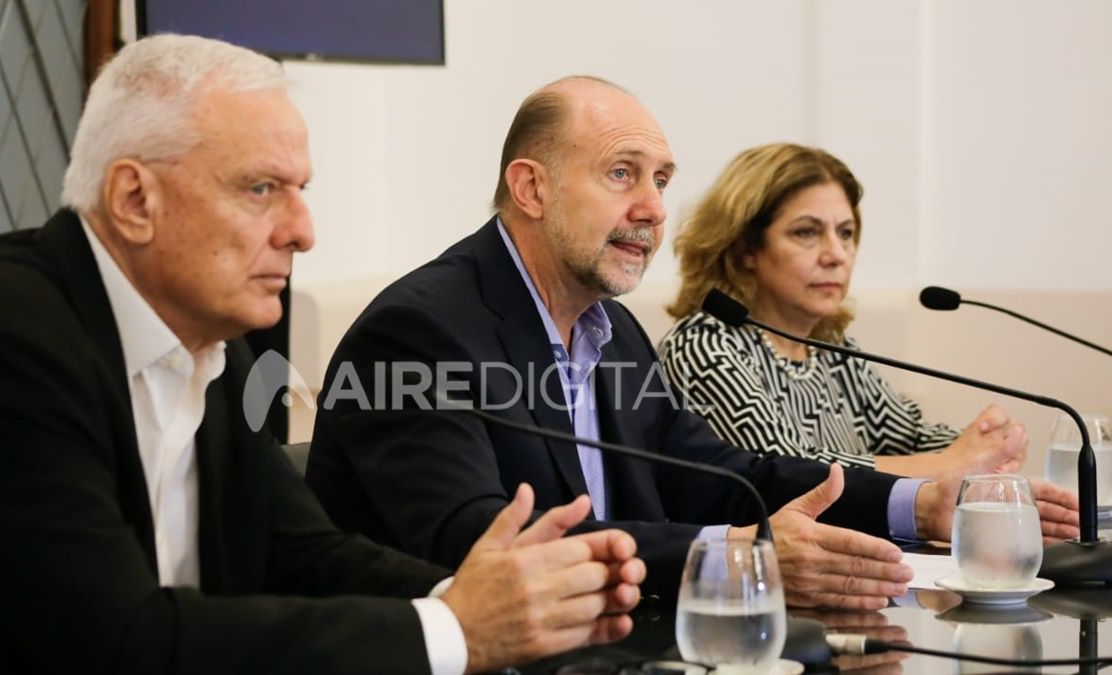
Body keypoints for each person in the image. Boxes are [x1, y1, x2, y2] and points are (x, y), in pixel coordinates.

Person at [0, 36, 648, 674]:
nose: (302, 231)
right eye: (261, 189)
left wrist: (482, 595)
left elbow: (300, 552)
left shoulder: (208, 342)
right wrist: (455, 629)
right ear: (135, 200)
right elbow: (119, 641)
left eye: (300, 190)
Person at [305, 77, 1079, 610]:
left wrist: (921, 502)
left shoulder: (611, 331)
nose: (652, 208)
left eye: (663, 180)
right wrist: (735, 552)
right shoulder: (420, 332)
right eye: (621, 174)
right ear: (532, 188)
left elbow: (720, 475)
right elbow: (478, 539)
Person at [659, 143, 1027, 482]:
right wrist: (951, 464)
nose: (836, 255)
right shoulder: (701, 346)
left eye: (846, 233)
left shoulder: (831, 348)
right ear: (745, 249)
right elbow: (788, 470)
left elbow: (910, 437)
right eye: (807, 232)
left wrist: (989, 444)